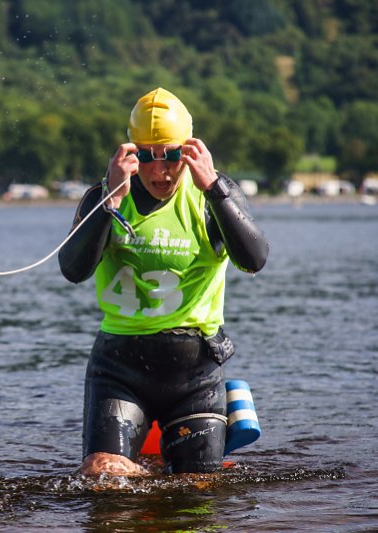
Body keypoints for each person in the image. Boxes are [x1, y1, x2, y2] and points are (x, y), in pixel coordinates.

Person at [58, 87, 268, 476]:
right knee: (102, 475)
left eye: (171, 155)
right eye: (146, 156)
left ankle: (159, 483)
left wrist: (214, 189)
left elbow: (253, 260)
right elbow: (73, 270)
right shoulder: (105, 196)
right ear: (130, 152)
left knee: (197, 490)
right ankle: (149, 482)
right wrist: (111, 202)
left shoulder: (212, 195)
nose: (160, 170)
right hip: (119, 370)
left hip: (196, 375)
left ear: (190, 150)